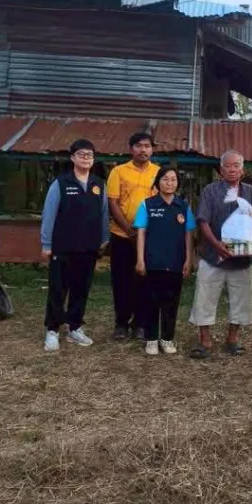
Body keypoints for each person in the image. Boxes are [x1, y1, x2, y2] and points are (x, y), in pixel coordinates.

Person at [189, 150, 252, 359]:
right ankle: (205, 340)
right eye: (227, 166)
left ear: (242, 170)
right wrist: (216, 244)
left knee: (241, 299)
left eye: (236, 165)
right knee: (204, 297)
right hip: (213, 254)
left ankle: (232, 338)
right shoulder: (210, 191)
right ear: (221, 170)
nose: (232, 169)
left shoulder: (250, 192)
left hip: (241, 257)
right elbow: (203, 221)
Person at [40, 139, 109, 352]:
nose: (86, 158)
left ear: (93, 159)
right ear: (73, 158)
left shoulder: (99, 184)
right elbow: (49, 214)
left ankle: (74, 327)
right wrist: (46, 244)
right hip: (63, 246)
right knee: (58, 289)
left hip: (88, 247)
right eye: (81, 154)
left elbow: (104, 213)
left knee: (81, 289)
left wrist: (104, 238)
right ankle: (52, 329)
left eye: (89, 155)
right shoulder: (60, 183)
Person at [134, 167, 196, 356]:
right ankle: (151, 339)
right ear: (158, 182)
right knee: (151, 301)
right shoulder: (147, 205)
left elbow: (188, 234)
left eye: (173, 180)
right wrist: (140, 259)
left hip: (175, 262)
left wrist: (188, 259)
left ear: (178, 183)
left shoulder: (183, 206)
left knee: (171, 302)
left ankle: (167, 338)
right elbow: (141, 232)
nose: (169, 183)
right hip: (152, 262)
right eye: (165, 179)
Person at [106, 132, 160, 341]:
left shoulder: (158, 172)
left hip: (149, 237)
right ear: (131, 149)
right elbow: (113, 202)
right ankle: (121, 324)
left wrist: (144, 232)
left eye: (147, 146)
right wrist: (129, 231)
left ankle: (140, 324)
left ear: (152, 149)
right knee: (122, 280)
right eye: (138, 146)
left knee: (144, 281)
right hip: (122, 235)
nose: (143, 150)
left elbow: (160, 203)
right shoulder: (118, 171)